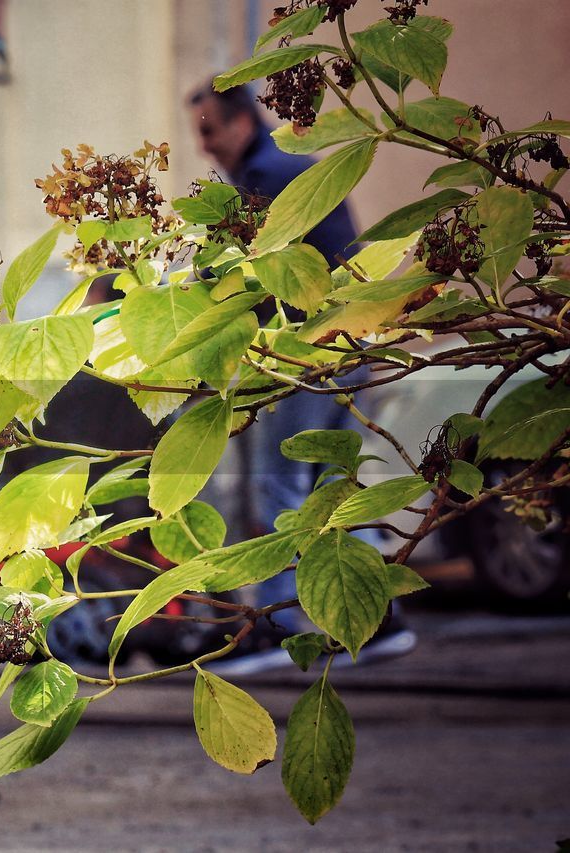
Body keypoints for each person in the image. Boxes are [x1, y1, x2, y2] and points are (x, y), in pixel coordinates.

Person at [187, 83, 416, 672]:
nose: (203, 145)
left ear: (240, 123)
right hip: (347, 339)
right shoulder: (280, 166)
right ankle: (380, 618)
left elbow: (243, 273)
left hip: (312, 347)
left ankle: (274, 627)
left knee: (279, 482)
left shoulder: (268, 175)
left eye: (209, 130)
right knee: (324, 485)